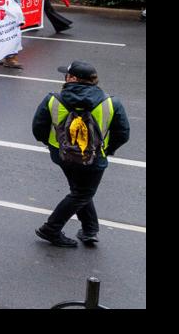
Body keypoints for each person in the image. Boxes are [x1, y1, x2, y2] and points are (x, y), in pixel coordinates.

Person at [32, 60, 128, 247]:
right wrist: (108, 150)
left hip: (62, 156)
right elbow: (123, 133)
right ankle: (51, 229)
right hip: (94, 156)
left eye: (66, 75)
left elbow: (38, 128)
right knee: (83, 192)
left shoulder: (52, 99)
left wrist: (52, 146)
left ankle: (89, 230)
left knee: (80, 191)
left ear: (73, 78)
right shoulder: (110, 102)